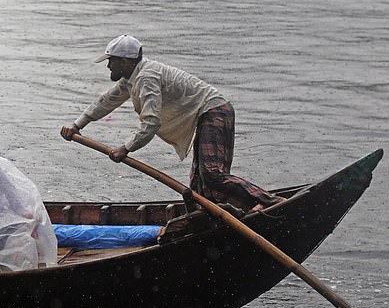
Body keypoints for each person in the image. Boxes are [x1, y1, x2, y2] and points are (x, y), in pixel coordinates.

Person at [60, 34, 282, 213]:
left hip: (214, 112)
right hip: (206, 114)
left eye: (111, 61)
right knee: (198, 185)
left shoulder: (147, 78)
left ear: (125, 62)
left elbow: (151, 123)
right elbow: (106, 101)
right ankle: (215, 215)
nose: (109, 67)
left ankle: (268, 202)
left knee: (213, 175)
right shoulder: (131, 79)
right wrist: (78, 125)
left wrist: (126, 148)